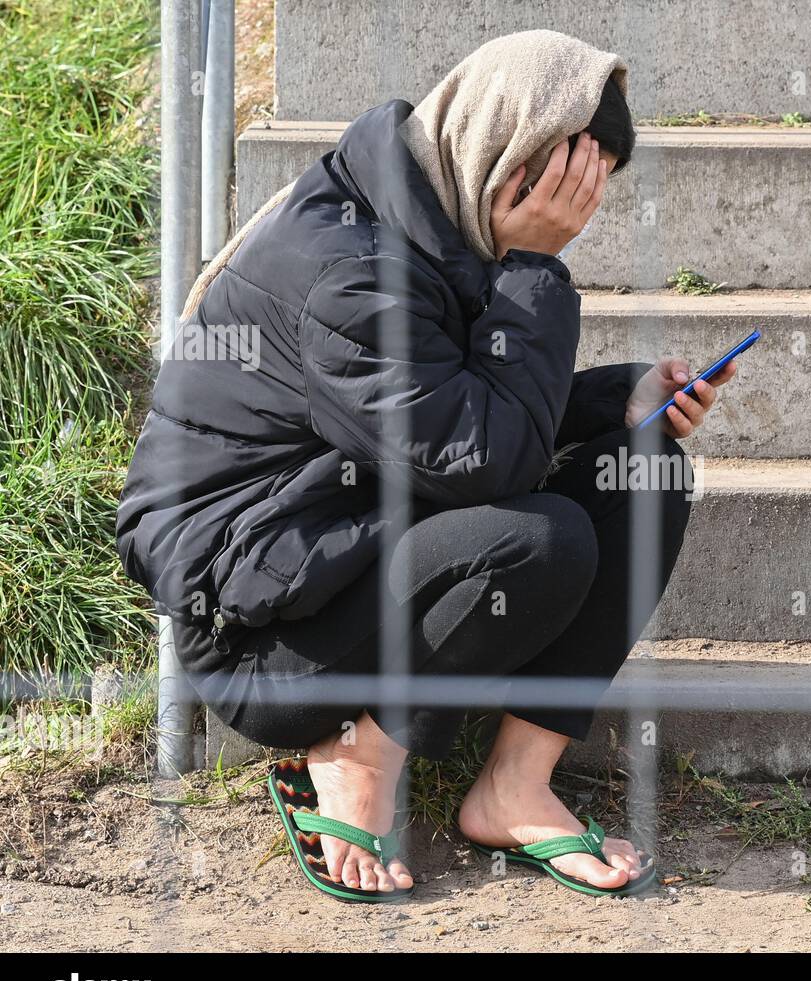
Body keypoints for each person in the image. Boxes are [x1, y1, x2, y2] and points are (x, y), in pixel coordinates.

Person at [117, 30, 735, 899]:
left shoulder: (432, 213)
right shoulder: (346, 271)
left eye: (587, 195)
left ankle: (511, 788)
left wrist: (617, 402)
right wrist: (537, 268)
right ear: (501, 150)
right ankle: (353, 762)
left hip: (354, 545)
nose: (570, 213)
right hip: (266, 638)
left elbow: (446, 416)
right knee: (541, 537)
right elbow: (483, 462)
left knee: (645, 474)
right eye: (559, 185)